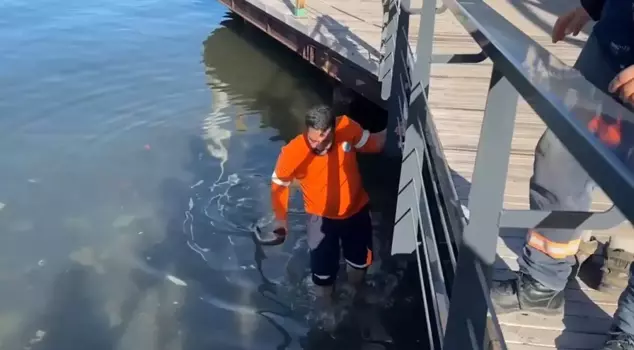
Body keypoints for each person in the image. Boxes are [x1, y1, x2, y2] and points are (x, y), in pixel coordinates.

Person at [491, 0, 634, 348]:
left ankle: (630, 331)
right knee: (560, 151)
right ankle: (543, 281)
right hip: (612, 40)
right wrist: (592, 6)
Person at [267, 101, 387, 316]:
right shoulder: (293, 151)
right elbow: (279, 185)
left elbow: (373, 144)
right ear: (307, 132)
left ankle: (355, 291)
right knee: (322, 274)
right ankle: (326, 309)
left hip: (356, 212)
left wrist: (396, 130)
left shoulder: (347, 127)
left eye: (325, 140)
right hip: (320, 219)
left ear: (334, 129)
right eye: (313, 140)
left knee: (359, 263)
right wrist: (280, 220)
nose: (318, 146)